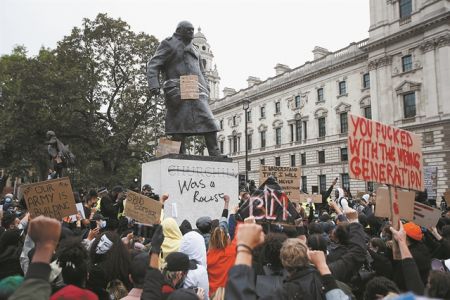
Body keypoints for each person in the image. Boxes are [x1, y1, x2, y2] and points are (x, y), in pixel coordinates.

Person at [146, 21, 222, 156]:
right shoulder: (168, 44)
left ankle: (214, 151)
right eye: (188, 30)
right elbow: (153, 64)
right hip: (177, 88)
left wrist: (206, 88)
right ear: (179, 30)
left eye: (192, 30)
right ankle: (179, 152)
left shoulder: (195, 49)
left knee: (209, 120)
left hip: (196, 89)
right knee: (178, 123)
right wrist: (154, 84)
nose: (191, 33)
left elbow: (202, 71)